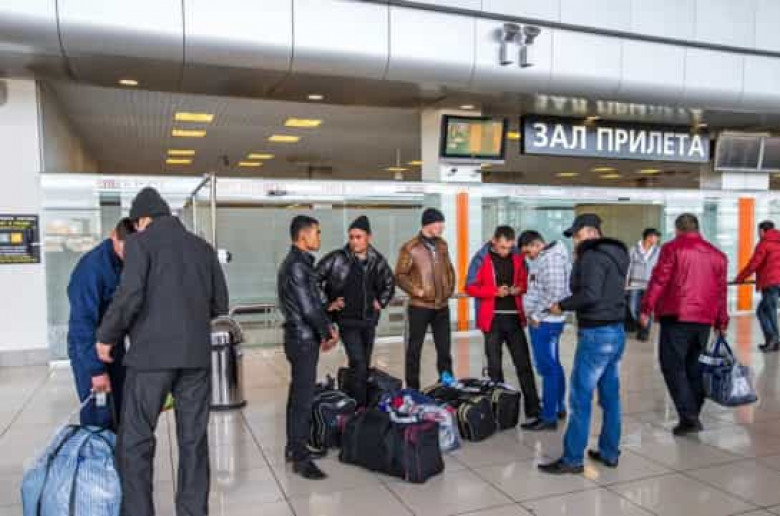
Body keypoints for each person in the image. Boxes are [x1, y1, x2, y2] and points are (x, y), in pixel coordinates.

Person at [95, 187, 229, 516]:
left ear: (143, 220)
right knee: (193, 441)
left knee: (136, 440)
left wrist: (106, 337)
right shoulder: (202, 247)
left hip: (150, 359)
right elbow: (220, 304)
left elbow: (129, 296)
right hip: (195, 359)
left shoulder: (140, 244)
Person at [539, 213, 629, 475]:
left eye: (578, 236)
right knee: (610, 397)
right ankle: (610, 452)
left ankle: (572, 459)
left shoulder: (592, 256)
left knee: (580, 397)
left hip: (596, 334)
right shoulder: (616, 254)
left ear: (592, 233)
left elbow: (590, 294)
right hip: (616, 331)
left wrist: (561, 306)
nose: (576, 242)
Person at [641, 213, 728, 436]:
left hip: (676, 316)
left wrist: (646, 308)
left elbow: (660, 279)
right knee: (694, 366)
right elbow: (721, 291)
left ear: (678, 229)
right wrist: (721, 320)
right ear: (697, 229)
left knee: (672, 365)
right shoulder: (717, 255)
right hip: (704, 320)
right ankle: (692, 414)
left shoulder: (672, 249)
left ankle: (689, 417)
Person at [278, 215, 340, 480]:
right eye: (317, 232)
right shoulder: (297, 266)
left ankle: (294, 447)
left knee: (298, 396)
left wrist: (326, 318)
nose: (319, 237)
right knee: (302, 400)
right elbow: (308, 308)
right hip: (302, 340)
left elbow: (313, 303)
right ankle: (301, 460)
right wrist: (327, 332)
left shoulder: (299, 263)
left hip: (300, 337)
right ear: (303, 236)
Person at [465, 226, 541, 427]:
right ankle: (498, 411)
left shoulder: (519, 257)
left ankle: (533, 407)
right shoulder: (481, 258)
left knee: (524, 365)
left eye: (509, 247)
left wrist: (518, 289)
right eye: (502, 247)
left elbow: (526, 282)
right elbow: (470, 286)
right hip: (492, 320)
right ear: (493, 241)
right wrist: (494, 291)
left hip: (514, 318)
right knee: (495, 368)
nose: (505, 251)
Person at [315, 215, 395, 406]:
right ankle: (359, 407)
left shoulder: (377, 260)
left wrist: (381, 301)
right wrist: (328, 303)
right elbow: (313, 279)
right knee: (358, 361)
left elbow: (389, 283)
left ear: (369, 237)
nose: (354, 241)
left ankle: (356, 400)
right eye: (351, 237)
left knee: (363, 364)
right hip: (347, 321)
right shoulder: (337, 258)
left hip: (368, 320)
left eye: (358, 237)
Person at [67, 218, 135, 429]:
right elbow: (82, 325)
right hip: (89, 351)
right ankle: (97, 451)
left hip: (114, 349)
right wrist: (96, 371)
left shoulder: (128, 264)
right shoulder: (92, 269)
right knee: (99, 415)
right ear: (114, 236)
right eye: (126, 249)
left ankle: (117, 450)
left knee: (121, 411)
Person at [395, 208, 456, 390]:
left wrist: (449, 288)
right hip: (419, 307)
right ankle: (413, 389)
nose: (442, 227)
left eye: (442, 224)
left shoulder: (442, 245)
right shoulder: (410, 247)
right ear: (428, 224)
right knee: (414, 350)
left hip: (442, 307)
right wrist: (417, 291)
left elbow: (449, 269)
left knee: (444, 351)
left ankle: (447, 385)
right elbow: (400, 275)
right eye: (439, 224)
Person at [518, 230, 571, 431]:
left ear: (536, 244)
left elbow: (554, 293)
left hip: (545, 323)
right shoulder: (546, 257)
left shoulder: (550, 259)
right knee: (554, 365)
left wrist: (536, 316)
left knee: (548, 368)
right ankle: (558, 407)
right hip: (548, 320)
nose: (527, 256)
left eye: (527, 251)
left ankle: (548, 416)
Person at [735, 220, 780, 353]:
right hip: (777, 282)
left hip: (771, 282)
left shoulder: (764, 244)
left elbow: (754, 264)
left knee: (766, 311)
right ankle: (774, 341)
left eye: (758, 231)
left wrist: (740, 278)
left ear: (762, 231)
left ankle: (773, 340)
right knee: (767, 311)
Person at [627, 228, 661, 341]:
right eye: (655, 237)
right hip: (634, 284)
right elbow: (628, 267)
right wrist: (625, 282)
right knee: (632, 308)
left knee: (647, 310)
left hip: (650, 284)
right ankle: (640, 325)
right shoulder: (633, 249)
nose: (657, 240)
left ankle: (644, 332)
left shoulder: (658, 251)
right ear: (648, 237)